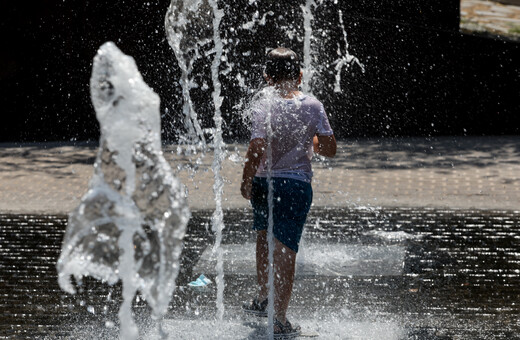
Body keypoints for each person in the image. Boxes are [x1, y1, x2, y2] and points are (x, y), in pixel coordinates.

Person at [240, 47, 336, 337]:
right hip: (295, 185)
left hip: (263, 183)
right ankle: (280, 319)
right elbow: (330, 149)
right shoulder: (313, 105)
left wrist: (246, 179)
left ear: (267, 77)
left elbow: (256, 147)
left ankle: (263, 299)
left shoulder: (262, 104)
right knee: (287, 249)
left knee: (263, 236)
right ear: (300, 75)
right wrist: (311, 141)